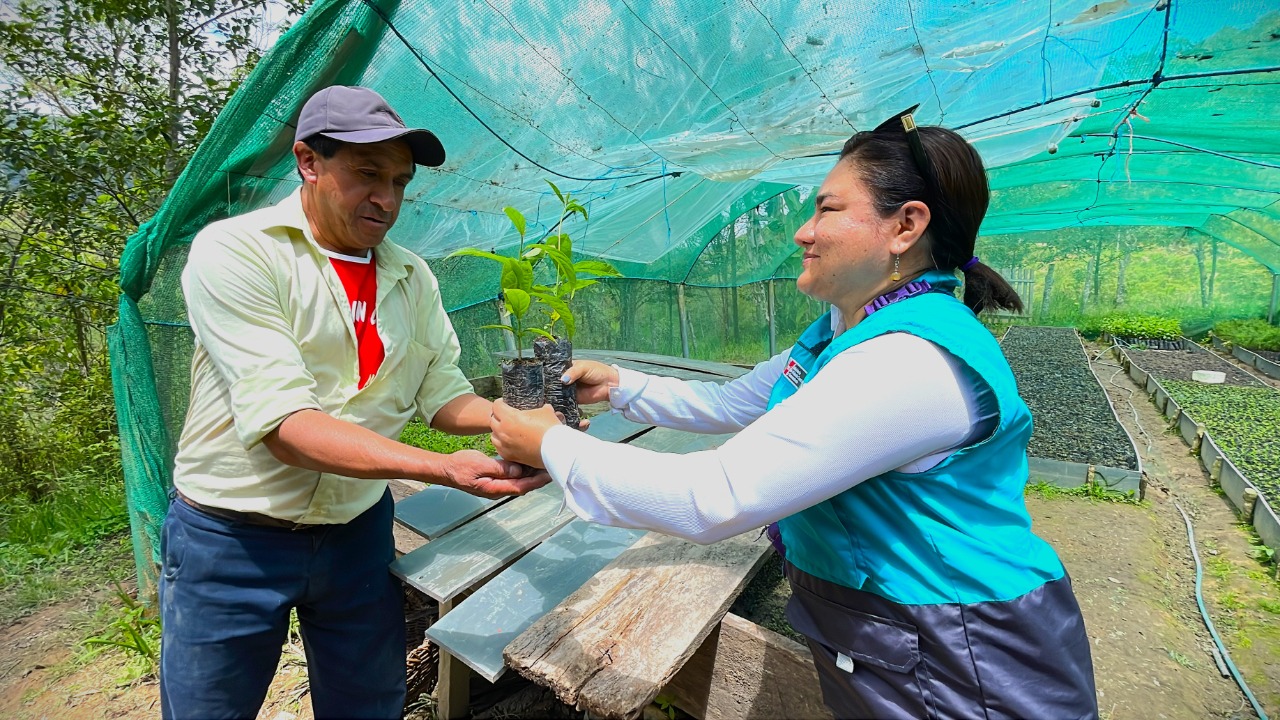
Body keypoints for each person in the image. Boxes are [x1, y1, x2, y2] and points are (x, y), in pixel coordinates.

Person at [490, 107, 1099, 719]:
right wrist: (620, 385)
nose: (803, 233)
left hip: (962, 660)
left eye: (827, 210)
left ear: (906, 226)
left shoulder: (909, 359)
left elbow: (714, 498)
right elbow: (732, 401)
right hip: (901, 640)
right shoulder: (847, 331)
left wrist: (550, 444)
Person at [161, 85, 548, 720]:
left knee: (368, 705)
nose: (387, 199)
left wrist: (516, 421)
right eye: (367, 174)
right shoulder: (240, 251)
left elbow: (442, 397)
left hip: (355, 531)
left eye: (399, 181)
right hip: (233, 538)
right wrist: (442, 468)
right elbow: (287, 426)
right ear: (308, 162)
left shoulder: (411, 276)